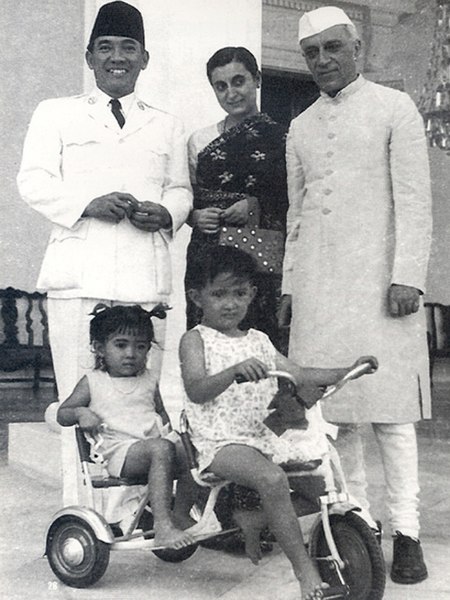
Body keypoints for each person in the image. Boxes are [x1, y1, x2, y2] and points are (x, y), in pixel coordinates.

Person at [279, 6, 432, 585]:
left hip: (380, 284)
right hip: (318, 289)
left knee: (391, 415)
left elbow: (414, 200)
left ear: (358, 47)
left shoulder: (396, 109)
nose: (322, 61)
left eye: (332, 48)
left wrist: (407, 275)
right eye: (312, 53)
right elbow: (297, 215)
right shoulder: (300, 125)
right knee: (337, 417)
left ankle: (408, 532)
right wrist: (292, 285)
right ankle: (359, 526)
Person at [16, 1, 192, 505]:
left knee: (142, 403)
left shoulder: (166, 123)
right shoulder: (56, 112)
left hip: (144, 279)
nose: (118, 58)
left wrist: (167, 212)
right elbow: (33, 181)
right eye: (107, 49)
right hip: (79, 277)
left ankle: (140, 512)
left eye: (128, 49)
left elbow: (181, 189)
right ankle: (82, 511)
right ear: (90, 56)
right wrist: (86, 203)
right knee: (82, 400)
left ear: (144, 59)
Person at [180, 245, 377, 600]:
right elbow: (196, 390)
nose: (230, 304)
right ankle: (305, 571)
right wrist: (232, 371)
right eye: (219, 294)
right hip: (218, 442)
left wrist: (347, 370)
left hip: (263, 436)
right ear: (197, 298)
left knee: (320, 490)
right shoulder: (195, 340)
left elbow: (300, 374)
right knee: (271, 480)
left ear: (252, 295)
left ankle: (255, 520)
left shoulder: (258, 340)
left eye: (239, 294)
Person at [57, 304, 198, 549]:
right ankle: (163, 526)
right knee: (161, 449)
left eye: (140, 346)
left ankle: (181, 513)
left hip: (154, 447)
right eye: (121, 345)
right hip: (119, 453)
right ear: (100, 348)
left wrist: (176, 438)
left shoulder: (149, 379)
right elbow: (63, 413)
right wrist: (81, 412)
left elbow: (159, 413)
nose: (131, 353)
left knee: (193, 449)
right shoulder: (94, 382)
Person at [185, 47, 288, 351]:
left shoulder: (284, 137)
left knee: (257, 335)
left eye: (239, 81)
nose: (231, 93)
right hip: (208, 252)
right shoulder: (199, 140)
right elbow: (186, 195)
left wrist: (255, 206)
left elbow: (297, 199)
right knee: (209, 341)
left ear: (257, 79)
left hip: (260, 255)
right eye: (221, 86)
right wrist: (193, 216)